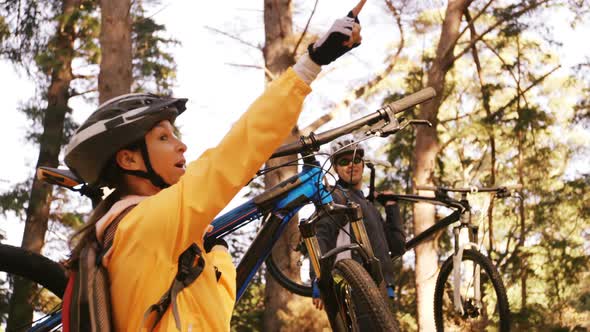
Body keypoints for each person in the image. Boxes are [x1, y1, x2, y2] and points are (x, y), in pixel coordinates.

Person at [62, 4, 364, 331]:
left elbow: (213, 313)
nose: (181, 145)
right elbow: (237, 150)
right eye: (163, 137)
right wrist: (311, 63)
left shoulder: (148, 236)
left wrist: (216, 250)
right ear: (129, 160)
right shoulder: (142, 224)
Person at [312, 136, 406, 312]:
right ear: (335, 168)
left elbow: (398, 246)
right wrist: (319, 280)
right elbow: (321, 237)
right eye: (344, 161)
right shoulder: (336, 198)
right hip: (354, 289)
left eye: (356, 159)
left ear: (363, 164)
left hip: (382, 291)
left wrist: (392, 208)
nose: (351, 165)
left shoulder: (368, 206)